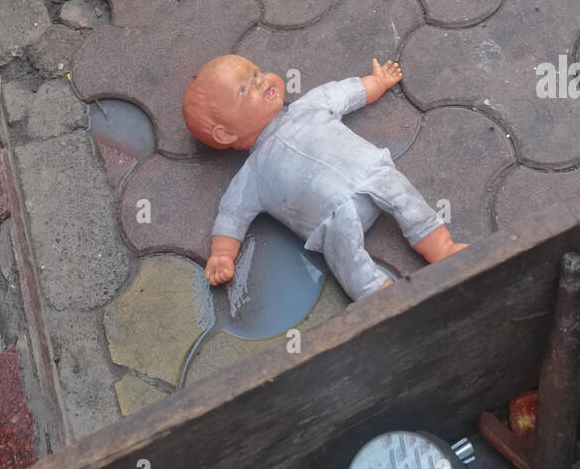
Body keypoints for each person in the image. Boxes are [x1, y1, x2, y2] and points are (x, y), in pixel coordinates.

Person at [183, 54, 467, 301]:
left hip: (371, 173)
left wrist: (376, 82)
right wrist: (222, 255)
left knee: (403, 193)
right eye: (245, 89)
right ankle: (380, 297)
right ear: (224, 134)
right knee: (344, 255)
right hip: (334, 218)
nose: (261, 81)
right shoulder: (251, 176)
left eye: (257, 73)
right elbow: (231, 215)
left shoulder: (308, 105)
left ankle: (442, 247)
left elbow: (345, 93)